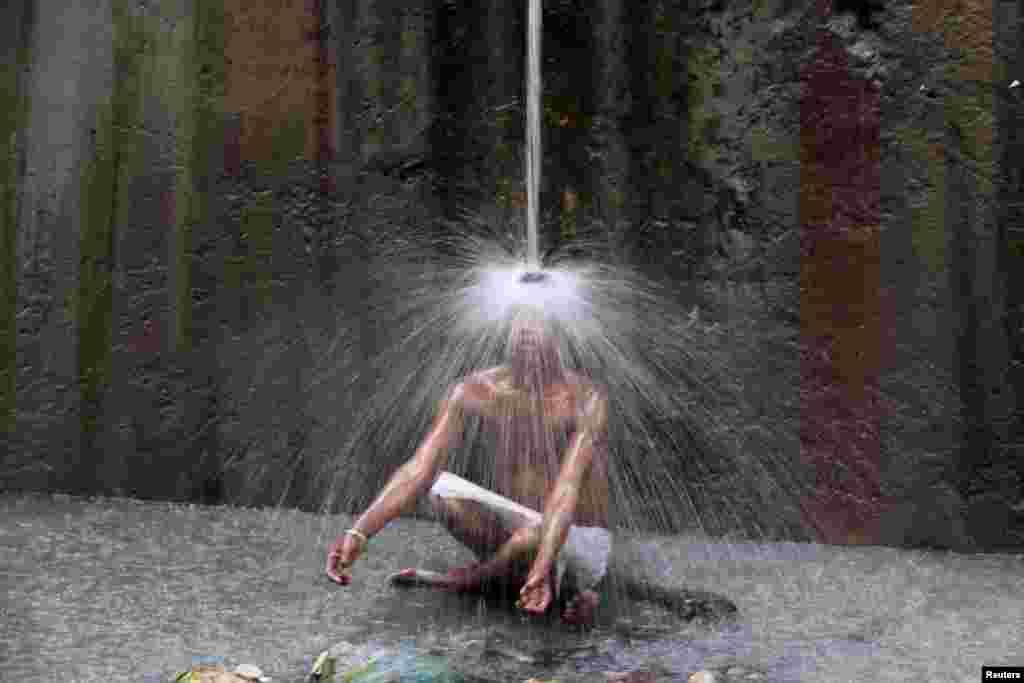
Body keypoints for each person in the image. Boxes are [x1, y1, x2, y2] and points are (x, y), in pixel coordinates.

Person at [325, 307, 611, 625]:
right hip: (519, 524)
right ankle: (521, 576)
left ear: (558, 335)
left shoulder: (585, 397)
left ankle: (478, 580)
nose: (528, 328)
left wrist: (544, 562)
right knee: (442, 495)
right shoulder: (476, 389)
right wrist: (359, 532)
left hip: (577, 537)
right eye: (520, 318)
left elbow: (567, 488)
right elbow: (418, 468)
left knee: (533, 537)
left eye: (540, 318)